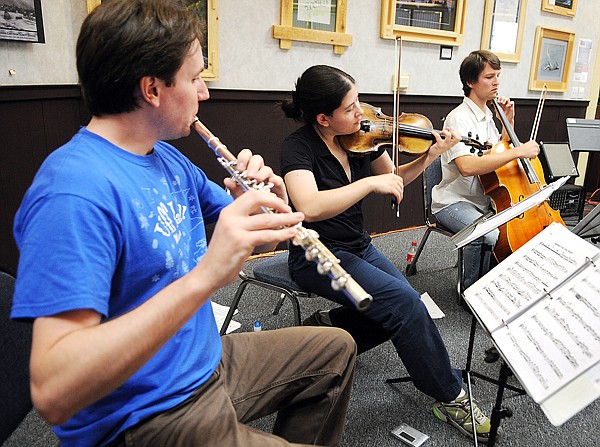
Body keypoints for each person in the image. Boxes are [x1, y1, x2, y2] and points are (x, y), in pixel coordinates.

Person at [10, 2, 357, 447]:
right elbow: (54, 392)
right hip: (145, 414)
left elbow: (259, 236)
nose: (205, 92)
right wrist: (205, 276)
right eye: (195, 78)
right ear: (152, 89)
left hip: (200, 361)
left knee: (336, 350)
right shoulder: (73, 193)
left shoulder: (165, 157)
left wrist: (271, 199)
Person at [280, 64, 496, 443]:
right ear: (323, 119)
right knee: (404, 305)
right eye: (349, 108)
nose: (360, 113)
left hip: (357, 246)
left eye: (358, 101)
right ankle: (451, 397)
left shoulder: (362, 138)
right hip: (317, 254)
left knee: (404, 306)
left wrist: (431, 156)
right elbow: (309, 205)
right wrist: (369, 185)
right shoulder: (298, 148)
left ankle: (330, 330)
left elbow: (397, 176)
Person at [431, 50, 540, 291]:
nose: (496, 82)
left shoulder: (489, 116)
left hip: (484, 201)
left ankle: (492, 281)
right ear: (470, 82)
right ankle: (470, 291)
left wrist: (507, 124)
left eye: (498, 76)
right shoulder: (458, 119)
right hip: (454, 202)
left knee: (514, 230)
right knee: (486, 235)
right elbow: (468, 167)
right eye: (490, 77)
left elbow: (496, 158)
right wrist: (518, 151)